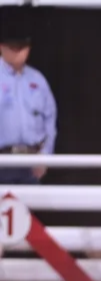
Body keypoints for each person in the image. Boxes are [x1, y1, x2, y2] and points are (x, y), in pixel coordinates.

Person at [0, 29, 57, 185]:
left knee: (29, 207)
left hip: (31, 161)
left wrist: (45, 156)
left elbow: (50, 120)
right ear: (2, 47)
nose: (19, 53)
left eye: (22, 48)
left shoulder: (37, 80)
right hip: (3, 160)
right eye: (13, 48)